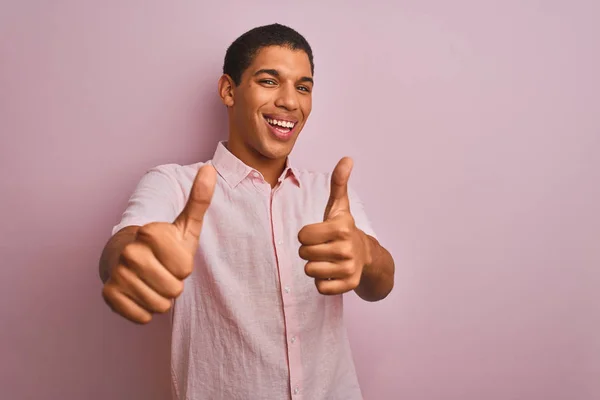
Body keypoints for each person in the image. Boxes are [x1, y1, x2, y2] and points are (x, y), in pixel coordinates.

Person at [99, 23, 395, 400]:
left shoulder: (329, 193)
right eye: (270, 81)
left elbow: (381, 283)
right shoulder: (174, 185)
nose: (291, 102)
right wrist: (132, 257)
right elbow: (123, 246)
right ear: (229, 90)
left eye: (303, 87)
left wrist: (365, 253)